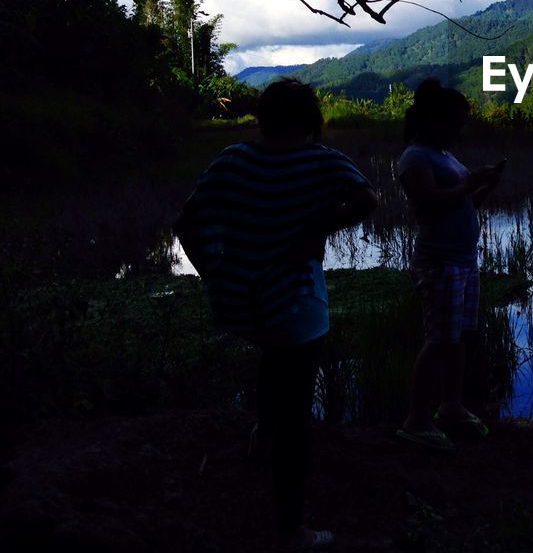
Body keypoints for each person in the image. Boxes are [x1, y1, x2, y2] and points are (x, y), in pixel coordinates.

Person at [175, 78, 377, 553]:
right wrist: (318, 225)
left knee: (273, 363)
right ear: (310, 121)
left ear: (261, 117)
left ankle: (261, 437)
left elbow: (186, 224)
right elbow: (369, 198)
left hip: (244, 304)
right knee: (296, 419)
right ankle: (292, 531)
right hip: (297, 306)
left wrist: (213, 274)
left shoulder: (232, 159)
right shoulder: (321, 161)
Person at [397, 79, 502, 451]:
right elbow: (427, 204)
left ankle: (451, 405)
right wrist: (469, 182)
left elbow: (461, 203)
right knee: (439, 339)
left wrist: (482, 186)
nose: (458, 131)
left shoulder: (443, 154)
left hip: (463, 259)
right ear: (432, 120)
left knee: (458, 338)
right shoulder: (416, 157)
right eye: (454, 123)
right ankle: (417, 419)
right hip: (439, 260)